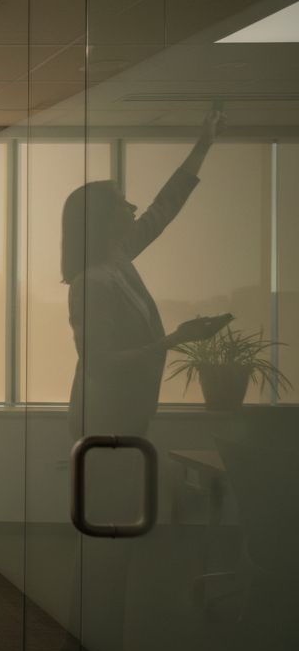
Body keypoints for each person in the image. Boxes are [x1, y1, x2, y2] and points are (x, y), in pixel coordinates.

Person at [62, 107, 228, 440]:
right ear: (104, 219)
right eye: (123, 203)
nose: (134, 208)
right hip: (103, 418)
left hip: (124, 411)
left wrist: (204, 145)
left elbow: (165, 206)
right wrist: (176, 339)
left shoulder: (118, 259)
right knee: (110, 490)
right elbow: (101, 362)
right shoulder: (92, 283)